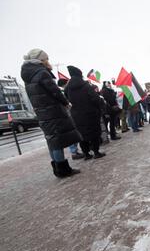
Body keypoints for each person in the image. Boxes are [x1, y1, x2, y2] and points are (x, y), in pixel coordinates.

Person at [21, 49, 81, 178]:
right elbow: (54, 91)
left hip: (42, 113)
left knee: (52, 140)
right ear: (42, 60)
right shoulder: (41, 72)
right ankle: (63, 170)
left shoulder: (28, 74)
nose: (49, 61)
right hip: (52, 111)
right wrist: (65, 102)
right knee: (57, 141)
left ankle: (57, 168)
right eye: (47, 58)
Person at [65, 66, 106, 160]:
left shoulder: (68, 87)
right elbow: (95, 98)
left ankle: (86, 154)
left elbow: (66, 98)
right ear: (79, 74)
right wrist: (101, 104)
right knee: (94, 133)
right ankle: (96, 152)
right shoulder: (85, 85)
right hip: (90, 113)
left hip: (77, 114)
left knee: (82, 135)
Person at [57, 78, 84, 160]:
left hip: (67, 115)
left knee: (73, 133)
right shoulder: (62, 92)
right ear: (65, 84)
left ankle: (75, 151)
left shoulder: (62, 91)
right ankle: (74, 152)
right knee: (72, 134)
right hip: (67, 115)